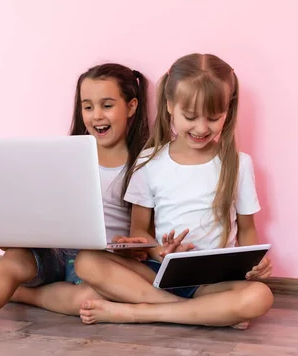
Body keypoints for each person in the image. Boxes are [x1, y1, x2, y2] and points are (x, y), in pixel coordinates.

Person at [0, 63, 150, 344]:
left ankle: (18, 293)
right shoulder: (66, 155)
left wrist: (135, 247)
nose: (96, 115)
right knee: (16, 259)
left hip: (100, 261)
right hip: (57, 250)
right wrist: (19, 233)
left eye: (107, 105)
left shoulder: (143, 163)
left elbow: (140, 231)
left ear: (132, 106)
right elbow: (45, 205)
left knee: (90, 299)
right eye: (88, 107)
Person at [72, 53, 274, 329]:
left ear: (228, 111)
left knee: (260, 296)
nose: (202, 128)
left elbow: (248, 229)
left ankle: (137, 312)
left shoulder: (239, 164)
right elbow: (139, 230)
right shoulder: (149, 162)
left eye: (214, 118)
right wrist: (160, 252)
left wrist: (256, 263)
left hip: (215, 282)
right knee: (87, 262)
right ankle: (200, 312)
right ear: (169, 106)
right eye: (190, 117)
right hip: (159, 274)